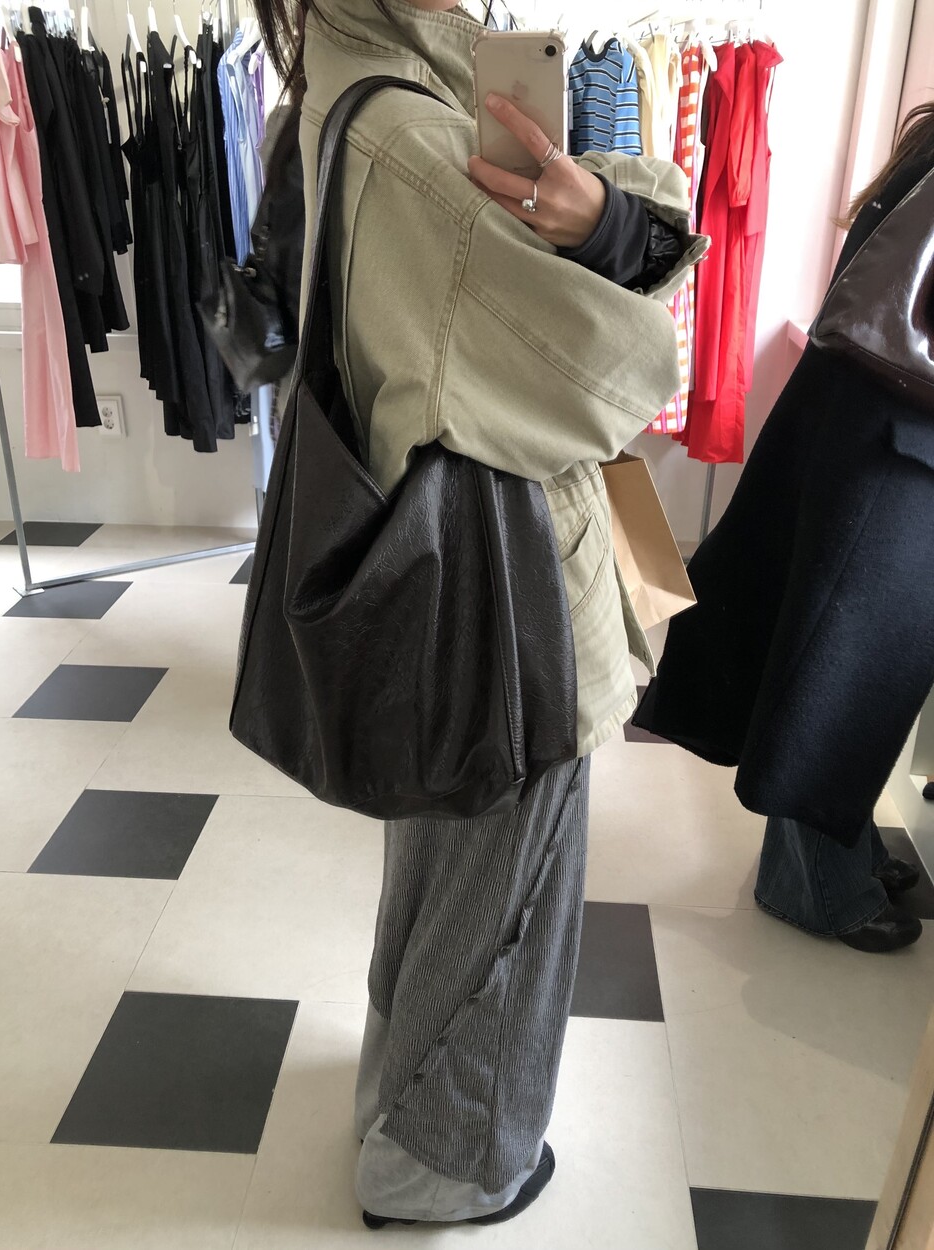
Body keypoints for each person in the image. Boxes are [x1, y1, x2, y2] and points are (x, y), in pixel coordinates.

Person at [252, 0, 706, 1228]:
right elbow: (611, 368)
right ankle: (445, 1161)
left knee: (443, 853)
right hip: (505, 580)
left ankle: (401, 1098)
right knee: (512, 873)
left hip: (434, 549)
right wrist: (618, 225)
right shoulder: (413, 138)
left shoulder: (350, 74)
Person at [635, 102, 934, 955]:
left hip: (867, 423)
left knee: (841, 658)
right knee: (843, 668)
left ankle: (842, 846)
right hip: (892, 440)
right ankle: (811, 885)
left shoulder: (926, 143)